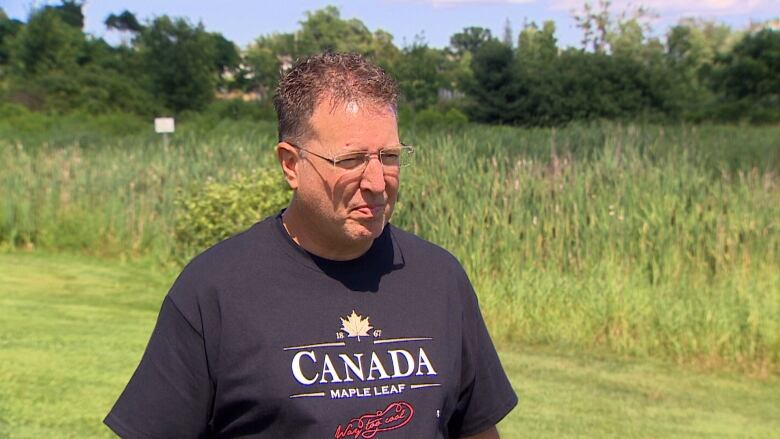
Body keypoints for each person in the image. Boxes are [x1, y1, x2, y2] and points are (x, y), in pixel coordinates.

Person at [105, 52, 517, 438]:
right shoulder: (215, 290)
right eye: (351, 160)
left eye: (389, 156)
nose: (377, 182)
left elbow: (477, 429)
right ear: (291, 164)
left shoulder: (439, 279)